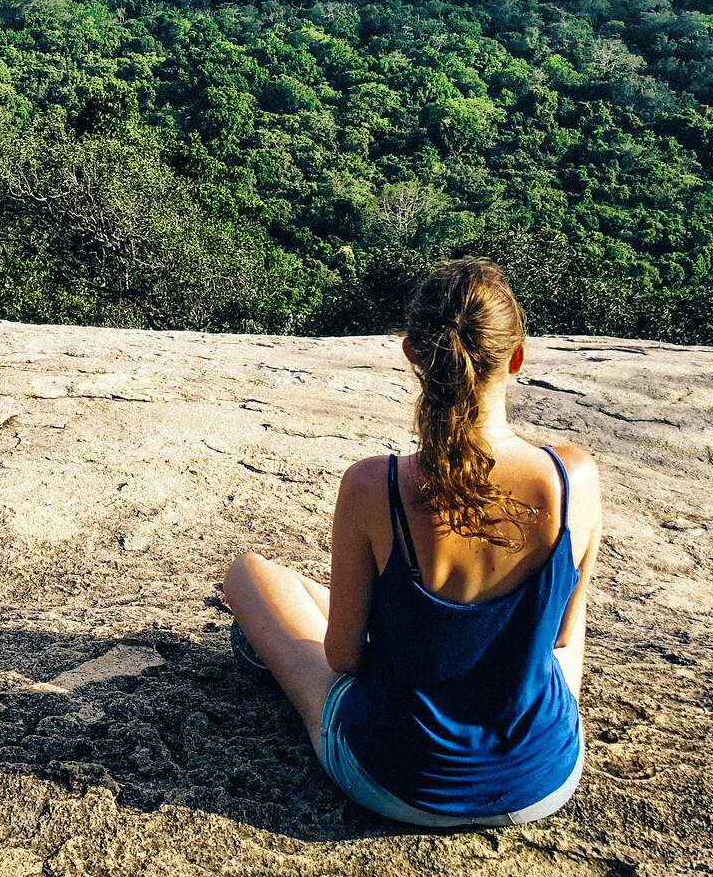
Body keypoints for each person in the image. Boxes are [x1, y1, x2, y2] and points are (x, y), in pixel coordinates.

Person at [222, 257, 602, 827]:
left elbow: (343, 659)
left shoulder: (376, 486)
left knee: (247, 575)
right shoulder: (576, 479)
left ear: (412, 355)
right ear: (517, 358)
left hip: (397, 781)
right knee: (546, 647)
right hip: (543, 779)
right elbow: (564, 639)